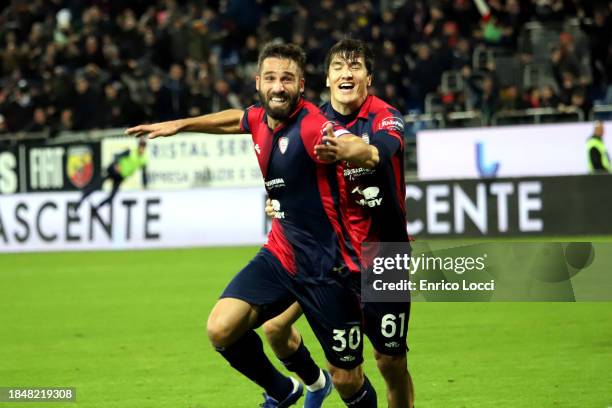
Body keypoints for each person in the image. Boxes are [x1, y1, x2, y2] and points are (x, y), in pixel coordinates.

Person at [126, 43, 380, 408]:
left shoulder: (313, 126)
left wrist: (360, 150)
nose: (279, 87)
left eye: (288, 79)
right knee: (221, 329)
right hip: (281, 254)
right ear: (259, 82)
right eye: (272, 78)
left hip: (328, 267)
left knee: (348, 380)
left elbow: (346, 140)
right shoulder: (259, 118)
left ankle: (327, 385)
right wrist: (182, 125)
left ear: (302, 85)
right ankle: (283, 391)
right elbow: (235, 119)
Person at [262, 39, 414, 408]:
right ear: (327, 79)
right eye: (339, 68)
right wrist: (280, 203)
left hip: (383, 254)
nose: (347, 73)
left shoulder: (385, 116)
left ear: (368, 79)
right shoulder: (312, 123)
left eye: (356, 66)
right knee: (275, 327)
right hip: (327, 253)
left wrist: (353, 150)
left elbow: (382, 149)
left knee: (390, 361)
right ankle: (313, 385)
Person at [75, 137, 148, 210]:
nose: (141, 148)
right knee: (96, 186)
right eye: (141, 145)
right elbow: (117, 156)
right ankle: (79, 202)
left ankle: (97, 208)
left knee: (112, 197)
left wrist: (145, 184)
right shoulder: (131, 152)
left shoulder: (143, 159)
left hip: (120, 177)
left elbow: (144, 173)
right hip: (113, 170)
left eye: (143, 146)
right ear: (138, 145)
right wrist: (116, 164)